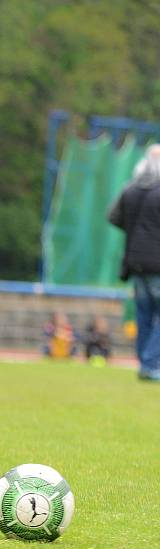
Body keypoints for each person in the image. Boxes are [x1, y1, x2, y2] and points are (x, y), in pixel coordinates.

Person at [108, 144, 160, 381]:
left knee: (144, 313)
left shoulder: (129, 189)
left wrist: (136, 229)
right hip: (157, 262)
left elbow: (113, 217)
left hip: (134, 261)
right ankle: (150, 364)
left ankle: (144, 362)